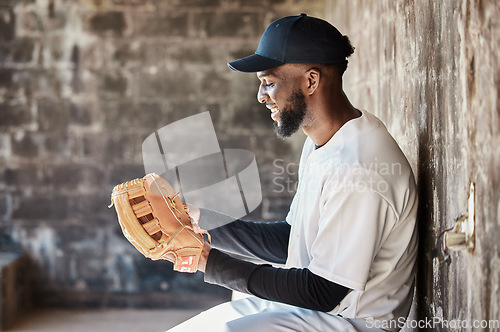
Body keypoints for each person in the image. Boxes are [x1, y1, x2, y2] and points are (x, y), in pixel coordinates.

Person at [168, 13, 418, 332]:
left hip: (348, 322)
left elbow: (323, 290)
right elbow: (292, 239)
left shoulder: (359, 168)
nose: (261, 96)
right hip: (313, 310)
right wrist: (197, 222)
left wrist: (208, 262)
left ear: (311, 80)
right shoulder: (325, 141)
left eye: (269, 83)